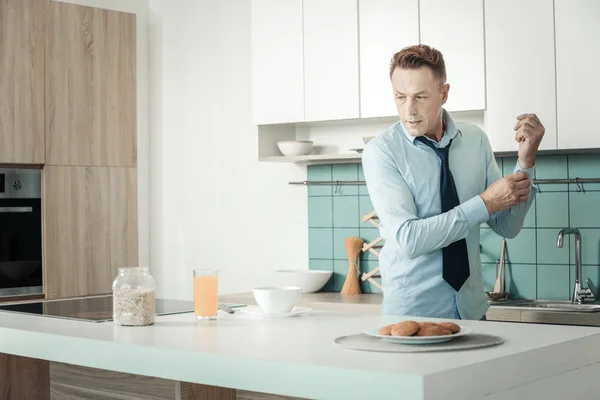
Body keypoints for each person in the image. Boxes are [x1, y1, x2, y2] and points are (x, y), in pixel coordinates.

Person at [362, 44, 543, 320]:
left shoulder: (475, 140)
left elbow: (506, 225)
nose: (409, 110)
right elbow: (409, 239)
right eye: (400, 97)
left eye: (420, 97)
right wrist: (485, 203)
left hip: (472, 312)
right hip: (414, 317)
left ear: (444, 93)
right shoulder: (382, 152)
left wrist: (526, 162)